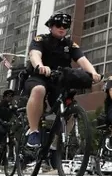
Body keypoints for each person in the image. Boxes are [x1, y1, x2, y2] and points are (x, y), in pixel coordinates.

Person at [23, 12, 102, 149]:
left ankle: (56, 144)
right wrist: (39, 66)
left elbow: (82, 60)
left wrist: (93, 73)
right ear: (50, 27)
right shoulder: (41, 39)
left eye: (65, 26)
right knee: (39, 90)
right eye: (58, 25)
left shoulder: (69, 44)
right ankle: (34, 131)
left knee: (70, 110)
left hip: (58, 81)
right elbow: (34, 54)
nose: (62, 28)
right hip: (40, 77)